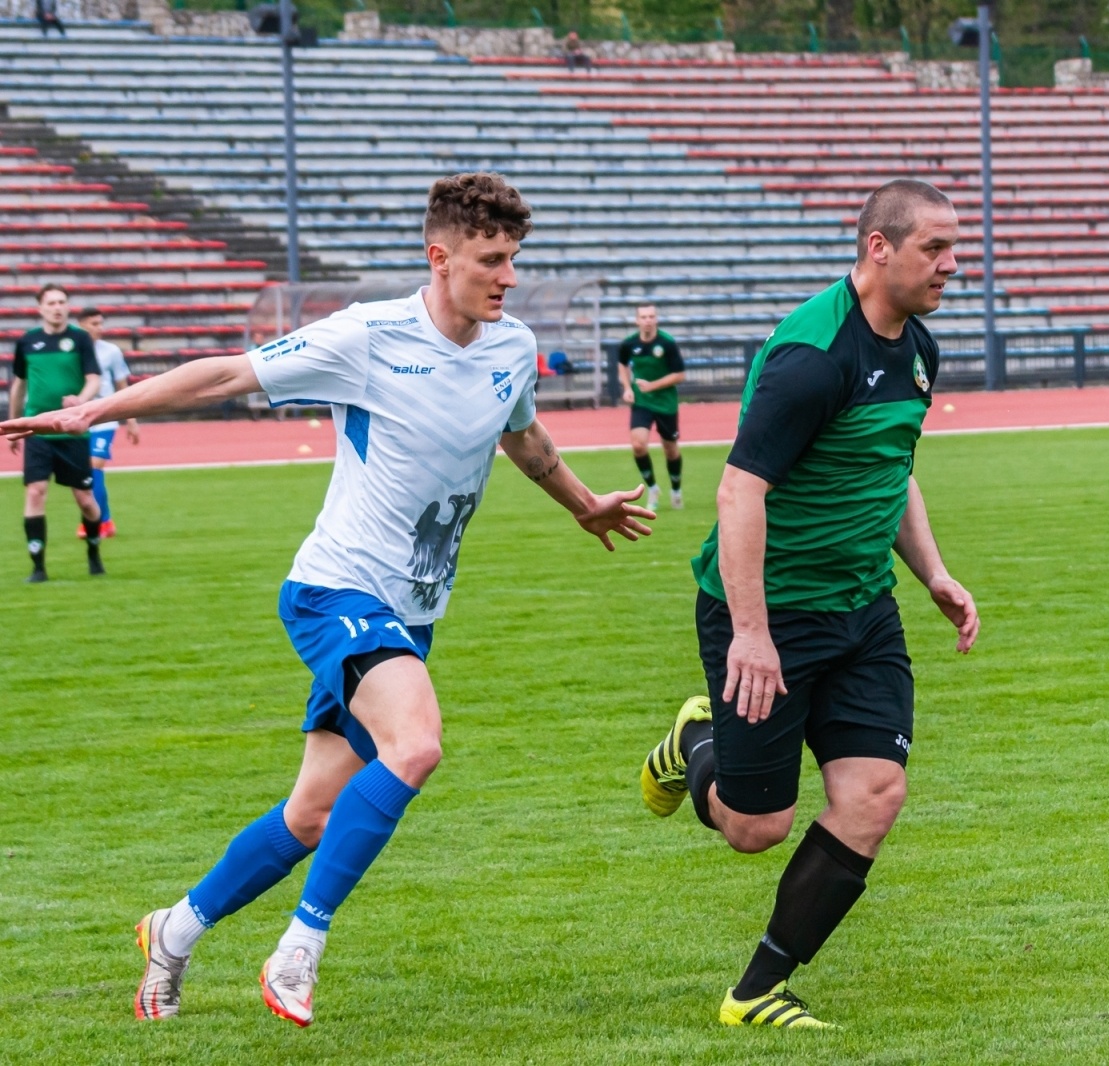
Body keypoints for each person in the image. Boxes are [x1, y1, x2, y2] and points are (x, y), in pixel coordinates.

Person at [1, 172, 655, 1027]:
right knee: (416, 744)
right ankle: (298, 949)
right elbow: (224, 375)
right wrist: (94, 410)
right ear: (440, 256)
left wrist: (583, 505)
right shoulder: (370, 336)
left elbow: (521, 433)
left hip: (410, 614)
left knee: (310, 814)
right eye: (492, 260)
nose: (507, 277)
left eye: (513, 260)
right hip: (335, 589)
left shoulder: (507, 344)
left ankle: (175, 929)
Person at [637, 179, 980, 1029]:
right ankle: (696, 740)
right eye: (934, 249)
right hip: (770, 616)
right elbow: (739, 494)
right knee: (757, 827)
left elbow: (889, 469)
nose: (952, 264)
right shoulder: (813, 357)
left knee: (875, 793)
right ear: (878, 249)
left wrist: (932, 571)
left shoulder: (919, 348)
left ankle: (755, 992)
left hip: (863, 611)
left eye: (954, 247)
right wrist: (751, 635)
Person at [9, 283, 102, 582]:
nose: (57, 307)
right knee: (35, 491)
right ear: (40, 308)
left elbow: (93, 378)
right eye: (51, 303)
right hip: (38, 429)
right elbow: (19, 385)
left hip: (72, 430)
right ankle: (38, 567)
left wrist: (82, 402)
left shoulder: (79, 339)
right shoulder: (27, 342)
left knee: (85, 499)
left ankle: (93, 551)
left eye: (62, 302)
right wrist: (14, 423)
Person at [76, 307, 140, 540]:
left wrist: (131, 420)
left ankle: (95, 522)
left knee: (95, 465)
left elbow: (122, 386)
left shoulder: (111, 351)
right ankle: (106, 519)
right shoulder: (72, 350)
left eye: (101, 323)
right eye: (94, 323)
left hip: (105, 417)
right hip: (79, 418)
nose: (99, 328)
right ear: (81, 325)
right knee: (85, 472)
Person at [616, 303, 686, 510]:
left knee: (670, 450)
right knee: (638, 445)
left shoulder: (667, 343)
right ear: (637, 320)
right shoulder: (629, 344)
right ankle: (653, 488)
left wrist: (652, 385)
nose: (648, 320)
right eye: (644, 317)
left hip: (666, 403)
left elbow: (680, 375)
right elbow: (622, 365)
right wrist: (627, 387)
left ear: (656, 319)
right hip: (642, 402)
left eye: (651, 316)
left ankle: (676, 490)